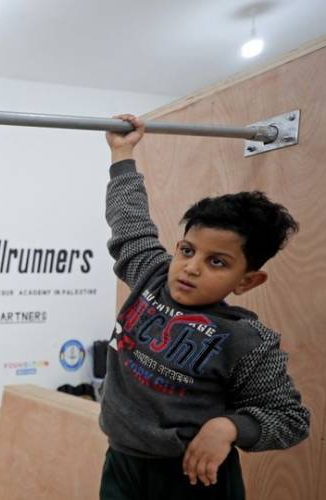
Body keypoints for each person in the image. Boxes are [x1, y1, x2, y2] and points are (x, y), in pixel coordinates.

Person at [99, 114, 310, 499]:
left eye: (217, 262)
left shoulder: (245, 339)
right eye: (187, 250)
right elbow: (129, 221)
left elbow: (291, 419)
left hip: (194, 476)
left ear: (246, 281)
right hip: (123, 461)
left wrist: (228, 427)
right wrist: (122, 152)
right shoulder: (152, 275)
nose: (191, 268)